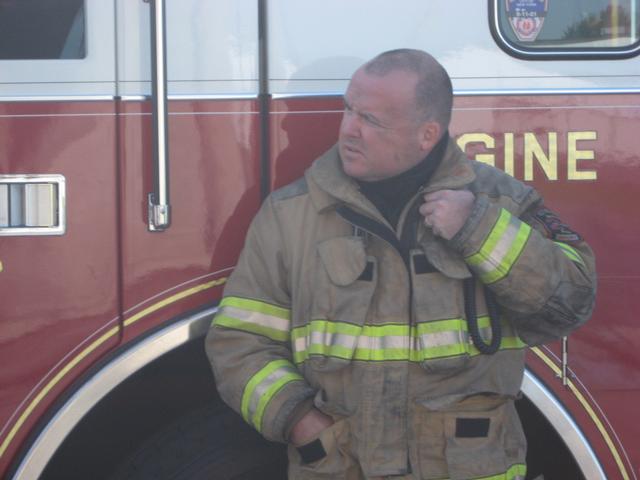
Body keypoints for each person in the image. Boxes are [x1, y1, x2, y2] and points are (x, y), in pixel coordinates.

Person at [205, 49, 596, 480]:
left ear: (427, 135)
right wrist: (299, 419)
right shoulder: (291, 215)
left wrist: (479, 230)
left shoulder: (498, 203)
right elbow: (238, 343)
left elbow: (570, 302)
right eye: (348, 109)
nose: (348, 130)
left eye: (371, 120)